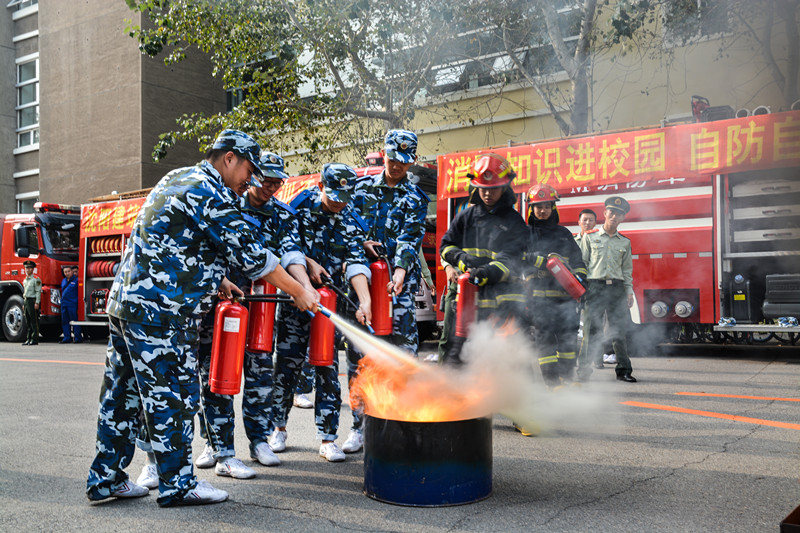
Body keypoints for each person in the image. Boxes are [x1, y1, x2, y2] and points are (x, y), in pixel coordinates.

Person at [86, 129, 318, 507]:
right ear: (229, 158)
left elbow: (173, 242)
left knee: (121, 396)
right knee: (175, 396)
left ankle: (106, 479)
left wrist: (217, 280)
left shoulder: (179, 177)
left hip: (128, 304)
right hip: (161, 312)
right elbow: (254, 256)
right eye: (249, 171)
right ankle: (178, 485)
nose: (250, 181)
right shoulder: (210, 191)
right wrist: (300, 291)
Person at [136, 151, 314, 488]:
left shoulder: (282, 215)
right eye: (264, 179)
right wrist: (220, 281)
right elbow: (211, 250)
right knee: (212, 377)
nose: (270, 187)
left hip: (258, 307)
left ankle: (257, 440)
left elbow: (290, 254)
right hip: (209, 307)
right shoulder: (224, 201)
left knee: (259, 374)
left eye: (277, 182)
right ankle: (214, 448)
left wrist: (303, 286)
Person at [268, 163, 372, 463]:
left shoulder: (351, 218)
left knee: (327, 367)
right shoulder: (299, 208)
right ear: (322, 187)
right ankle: (278, 428)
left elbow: (356, 263)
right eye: (334, 195)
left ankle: (328, 438)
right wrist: (309, 266)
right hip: (295, 299)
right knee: (287, 365)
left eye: (345, 197)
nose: (339, 202)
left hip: (329, 304)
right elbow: (286, 248)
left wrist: (364, 301)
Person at [341, 129, 429, 454]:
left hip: (398, 288)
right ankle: (360, 426)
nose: (396, 166)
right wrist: (361, 243)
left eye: (403, 161)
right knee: (360, 353)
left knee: (402, 352)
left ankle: (403, 424)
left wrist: (401, 271)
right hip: (363, 283)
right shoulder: (360, 189)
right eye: (392, 158)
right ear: (384, 153)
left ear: (413, 160)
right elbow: (347, 226)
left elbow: (410, 238)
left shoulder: (416, 198)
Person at [439, 153, 529, 365]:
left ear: (504, 187)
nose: (488, 194)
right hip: (465, 295)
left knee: (502, 350)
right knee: (454, 345)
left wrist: (488, 272)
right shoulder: (466, 216)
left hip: (501, 298)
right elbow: (446, 246)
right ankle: (448, 384)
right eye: (483, 189)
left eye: (494, 189)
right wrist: (461, 259)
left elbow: (514, 257)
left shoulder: (514, 221)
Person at [525, 184, 587, 389]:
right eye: (538, 207)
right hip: (539, 298)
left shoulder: (563, 234)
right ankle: (552, 383)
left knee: (568, 339)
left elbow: (578, 260)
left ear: (553, 208)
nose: (543, 211)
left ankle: (567, 379)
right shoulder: (526, 234)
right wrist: (538, 260)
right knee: (546, 341)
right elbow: (517, 257)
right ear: (531, 209)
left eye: (547, 206)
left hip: (565, 297)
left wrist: (581, 277)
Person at [576, 196, 637, 383]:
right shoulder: (590, 237)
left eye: (619, 214)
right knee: (591, 331)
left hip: (617, 289)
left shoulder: (624, 242)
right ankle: (583, 371)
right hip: (594, 287)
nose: (615, 216)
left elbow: (627, 271)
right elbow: (583, 265)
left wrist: (629, 291)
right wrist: (581, 290)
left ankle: (624, 370)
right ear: (605, 213)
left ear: (623, 218)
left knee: (619, 331)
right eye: (612, 212)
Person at [60, 265, 82, 343]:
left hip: (72, 304)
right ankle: (67, 338)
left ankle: (77, 338)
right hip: (64, 304)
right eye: (65, 272)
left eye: (68, 271)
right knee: (65, 321)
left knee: (75, 321)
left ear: (72, 271)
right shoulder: (63, 281)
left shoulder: (76, 280)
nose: (67, 273)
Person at [21, 260, 41, 346]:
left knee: (34, 320)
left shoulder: (36, 279)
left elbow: (38, 292)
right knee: (28, 321)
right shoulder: (25, 280)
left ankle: (34, 339)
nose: (28, 270)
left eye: (29, 268)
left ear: (33, 269)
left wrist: (37, 302)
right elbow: (25, 292)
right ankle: (28, 338)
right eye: (26, 268)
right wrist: (24, 303)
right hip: (26, 300)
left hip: (32, 300)